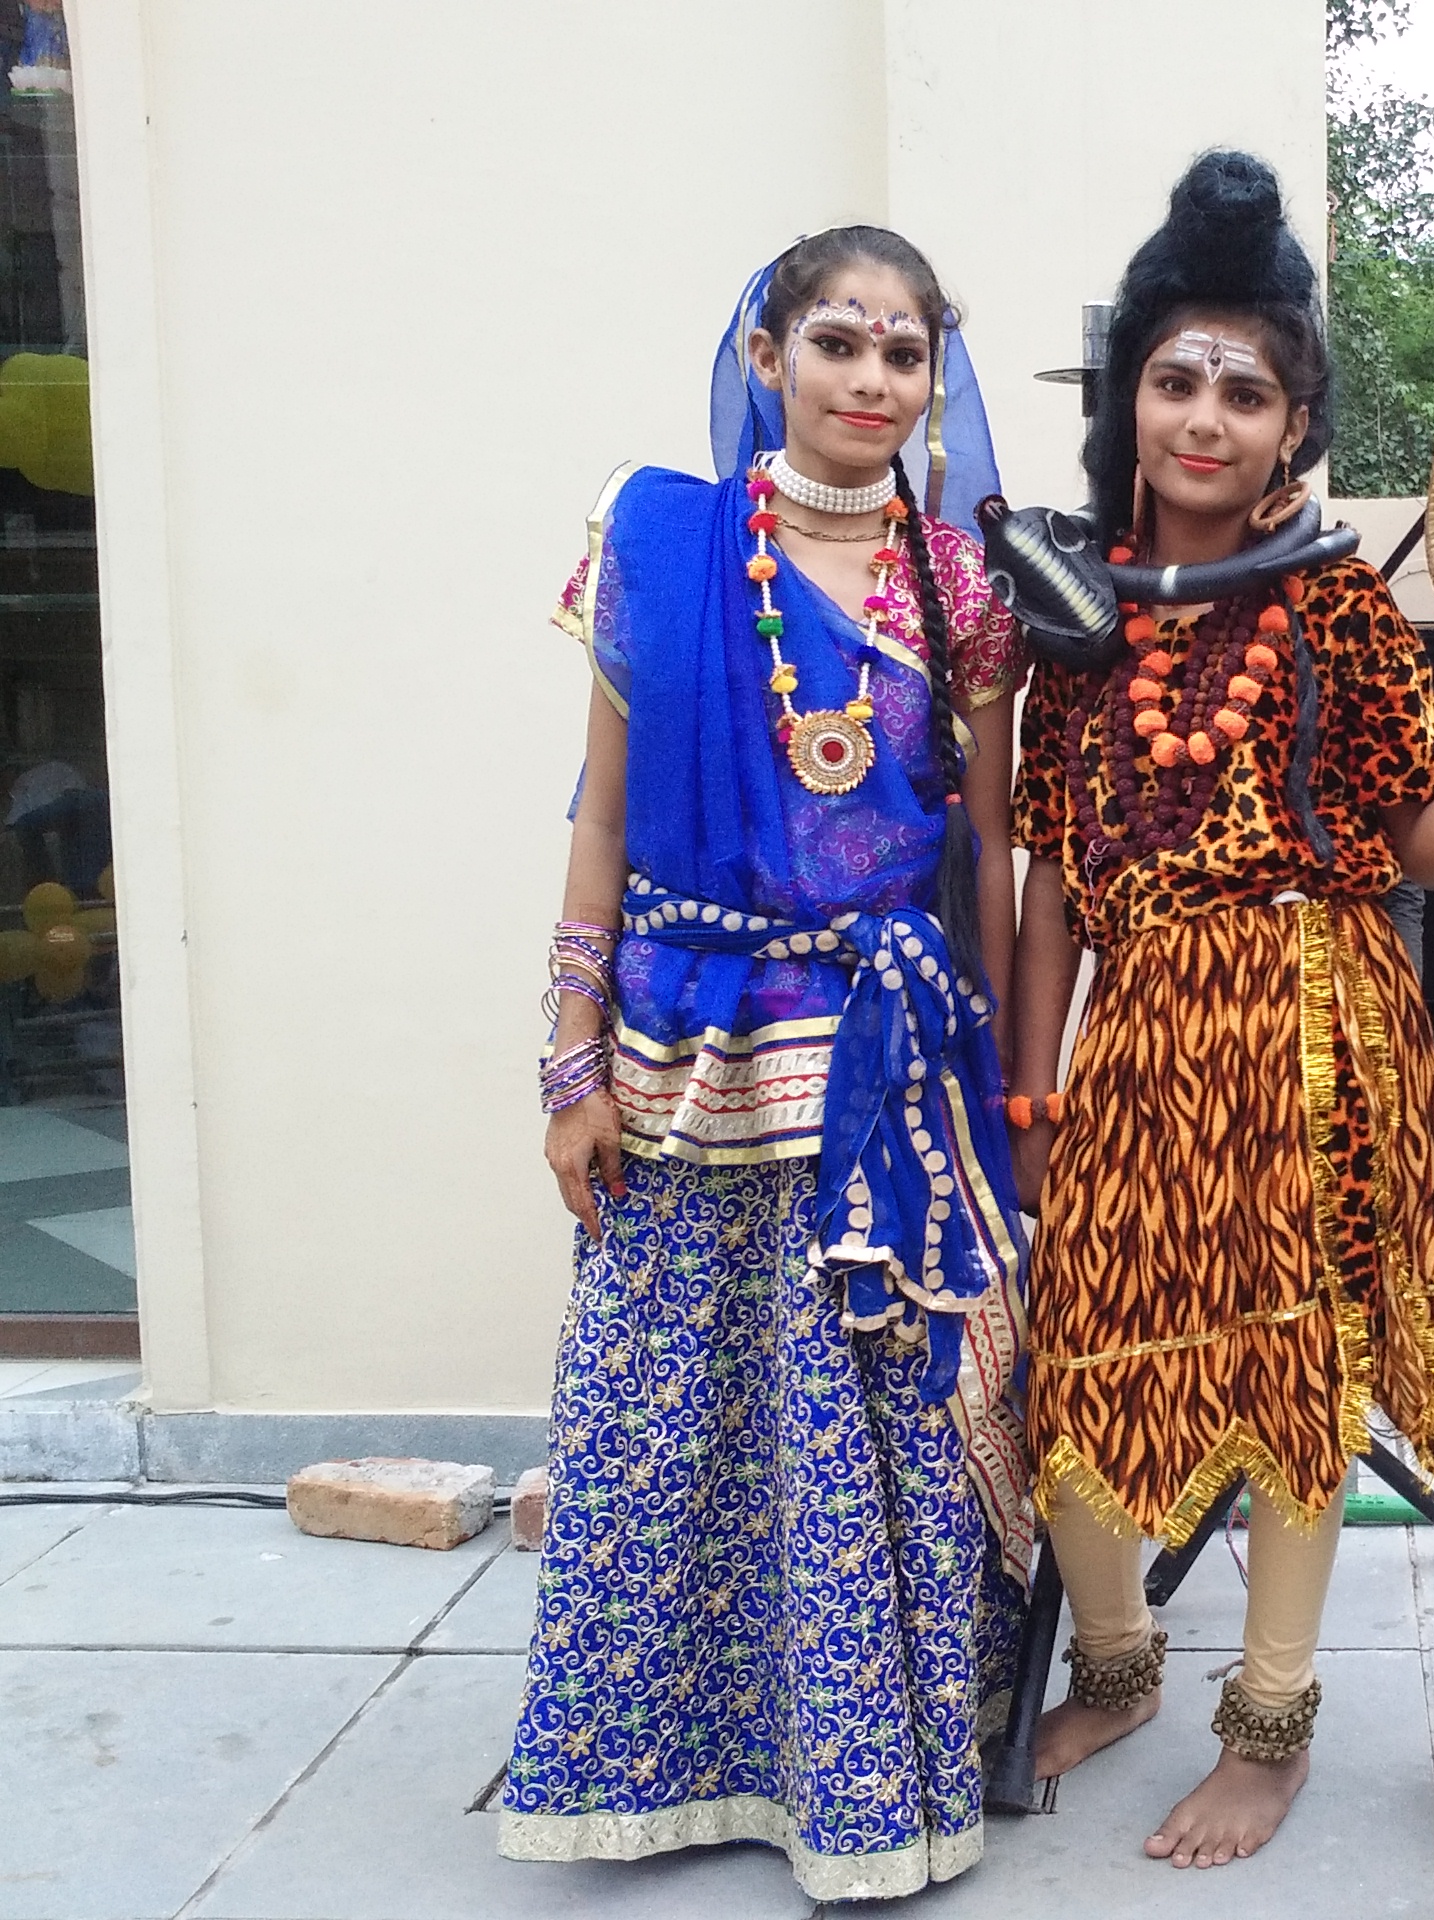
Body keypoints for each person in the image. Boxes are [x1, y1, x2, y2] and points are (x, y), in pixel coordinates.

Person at [1007, 151, 1434, 1871]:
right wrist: (1031, 1101)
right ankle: (1118, 1661)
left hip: (1318, 1019)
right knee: (1079, 1370)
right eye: (1178, 378)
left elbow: (1419, 848)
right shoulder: (1072, 625)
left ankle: (1273, 1722)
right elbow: (1046, 887)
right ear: (1133, 398)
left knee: (1296, 1372)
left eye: (1247, 386)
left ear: (1293, 422)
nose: (1207, 414)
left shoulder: (1336, 610)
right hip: (1139, 1050)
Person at [498, 227, 1035, 1902]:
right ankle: (652, 1761)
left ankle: (873, 1777)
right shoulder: (653, 548)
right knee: (670, 1409)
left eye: (903, 351)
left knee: (864, 1418)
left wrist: (1014, 1092)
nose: (872, 378)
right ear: (766, 360)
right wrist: (564, 1061)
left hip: (882, 1062)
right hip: (678, 1052)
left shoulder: (961, 586)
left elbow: (999, 854)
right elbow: (598, 817)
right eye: (839, 343)